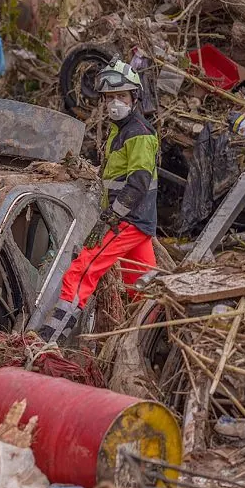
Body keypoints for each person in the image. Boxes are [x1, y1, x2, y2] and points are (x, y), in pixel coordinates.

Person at [40, 60, 158, 343]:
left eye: (122, 97)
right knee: (144, 288)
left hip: (127, 220)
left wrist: (111, 217)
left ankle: (48, 341)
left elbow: (139, 182)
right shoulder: (121, 129)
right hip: (137, 222)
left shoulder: (139, 133)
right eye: (110, 98)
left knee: (81, 272)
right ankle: (152, 340)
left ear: (135, 98)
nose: (115, 103)